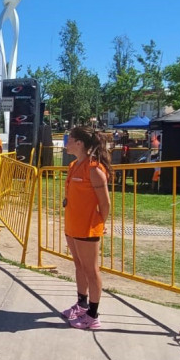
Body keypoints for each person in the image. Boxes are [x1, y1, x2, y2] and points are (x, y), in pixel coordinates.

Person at [59, 126, 112, 330]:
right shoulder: (74, 165)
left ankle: (93, 314)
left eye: (70, 139)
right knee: (79, 266)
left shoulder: (94, 169)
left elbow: (105, 203)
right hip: (72, 225)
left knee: (91, 270)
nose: (66, 142)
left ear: (79, 143)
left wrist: (101, 224)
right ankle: (81, 304)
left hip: (88, 228)